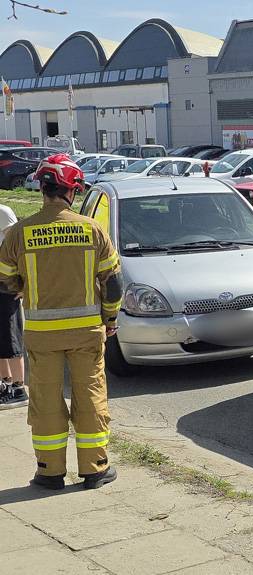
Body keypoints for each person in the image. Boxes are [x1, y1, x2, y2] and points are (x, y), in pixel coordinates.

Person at [0, 154, 123, 491]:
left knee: (46, 400)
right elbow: (112, 283)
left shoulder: (19, 233)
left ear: (43, 188)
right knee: (90, 396)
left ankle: (50, 472)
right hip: (86, 333)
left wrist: (26, 288)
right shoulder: (91, 229)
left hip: (41, 336)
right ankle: (95, 469)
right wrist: (109, 318)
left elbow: (5, 281)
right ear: (72, 189)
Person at [0, 203, 26, 410]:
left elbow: (20, 250)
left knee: (11, 337)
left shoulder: (4, 212)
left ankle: (19, 388)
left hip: (7, 286)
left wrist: (25, 284)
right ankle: (5, 383)